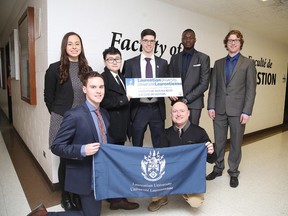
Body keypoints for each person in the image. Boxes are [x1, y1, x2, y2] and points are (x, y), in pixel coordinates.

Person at [28, 71, 108, 216]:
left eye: (101, 87)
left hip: (101, 175)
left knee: (91, 212)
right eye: (93, 87)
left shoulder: (105, 115)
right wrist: (82, 150)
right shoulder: (74, 115)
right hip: (85, 175)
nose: (98, 91)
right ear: (84, 89)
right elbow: (56, 146)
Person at [44, 32, 92, 211]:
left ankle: (77, 194)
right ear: (65, 47)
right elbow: (48, 97)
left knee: (80, 159)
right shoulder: (54, 68)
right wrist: (59, 115)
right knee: (65, 160)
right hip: (62, 120)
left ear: (81, 46)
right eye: (70, 44)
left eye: (77, 43)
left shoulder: (87, 69)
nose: (74, 47)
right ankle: (65, 196)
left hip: (82, 121)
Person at [206, 30, 257, 188]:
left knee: (235, 142)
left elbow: (251, 90)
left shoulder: (248, 63)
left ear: (241, 43)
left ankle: (233, 172)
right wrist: (211, 106)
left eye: (236, 40)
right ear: (226, 43)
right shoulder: (218, 63)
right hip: (219, 110)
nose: (233, 43)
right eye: (230, 40)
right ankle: (218, 167)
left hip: (238, 112)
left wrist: (247, 111)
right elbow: (213, 86)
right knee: (219, 142)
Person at [147, 100, 216, 212]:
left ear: (188, 113)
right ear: (171, 115)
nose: (178, 114)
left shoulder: (199, 132)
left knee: (195, 202)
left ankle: (185, 191)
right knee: (155, 178)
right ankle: (162, 198)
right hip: (170, 175)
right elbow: (159, 159)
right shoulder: (164, 133)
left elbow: (212, 160)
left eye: (182, 111)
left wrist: (211, 152)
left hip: (190, 177)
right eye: (175, 111)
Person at [100, 46, 139, 210]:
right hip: (111, 128)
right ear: (105, 61)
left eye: (117, 59)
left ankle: (112, 196)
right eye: (111, 59)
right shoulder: (103, 78)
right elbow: (103, 101)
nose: (114, 62)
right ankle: (117, 200)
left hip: (121, 127)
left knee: (114, 162)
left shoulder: (121, 77)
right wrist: (125, 99)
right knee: (113, 164)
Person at [122, 28, 169, 148]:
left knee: (159, 145)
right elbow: (125, 86)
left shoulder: (163, 63)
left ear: (155, 43)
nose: (149, 44)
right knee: (137, 144)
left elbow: (166, 83)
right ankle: (137, 166)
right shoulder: (130, 63)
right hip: (138, 109)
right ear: (140, 42)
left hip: (157, 109)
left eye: (152, 41)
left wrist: (171, 92)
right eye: (146, 40)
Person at [169, 29, 210, 126]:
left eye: (191, 38)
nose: (188, 40)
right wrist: (170, 93)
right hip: (177, 102)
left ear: (195, 40)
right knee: (176, 132)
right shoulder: (174, 58)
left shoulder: (203, 58)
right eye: (185, 38)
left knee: (192, 134)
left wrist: (186, 99)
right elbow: (170, 79)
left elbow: (204, 84)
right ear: (181, 40)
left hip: (194, 104)